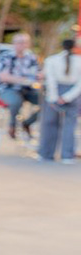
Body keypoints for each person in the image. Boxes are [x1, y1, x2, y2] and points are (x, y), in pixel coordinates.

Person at [37, 36, 80, 164]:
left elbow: (50, 80)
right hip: (73, 93)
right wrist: (67, 97)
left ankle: (46, 153)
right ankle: (67, 155)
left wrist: (54, 97)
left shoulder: (51, 60)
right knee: (69, 125)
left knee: (49, 123)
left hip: (55, 92)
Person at [0, 32, 41, 140]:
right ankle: (12, 126)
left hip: (28, 89)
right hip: (7, 89)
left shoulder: (31, 57)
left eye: (24, 43)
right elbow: (2, 77)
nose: (22, 45)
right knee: (16, 101)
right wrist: (21, 80)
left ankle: (27, 123)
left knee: (48, 102)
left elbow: (37, 73)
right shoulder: (5, 57)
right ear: (13, 44)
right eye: (19, 42)